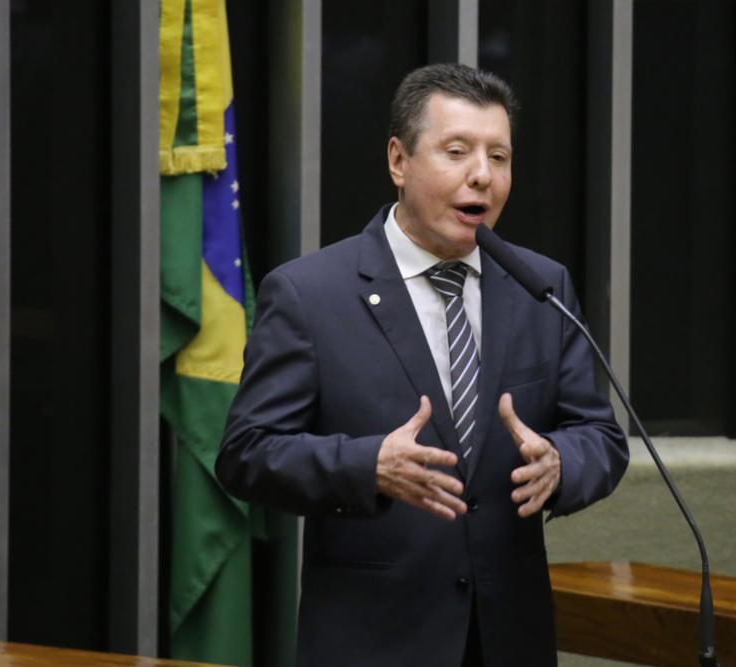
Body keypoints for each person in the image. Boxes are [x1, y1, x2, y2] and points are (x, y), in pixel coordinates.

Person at [216, 63, 628, 667]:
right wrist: (366, 466)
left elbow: (602, 437)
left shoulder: (542, 287)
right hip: (373, 642)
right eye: (456, 151)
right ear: (398, 161)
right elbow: (246, 453)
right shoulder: (310, 295)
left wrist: (562, 464)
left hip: (509, 642)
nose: (483, 175)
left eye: (500, 156)